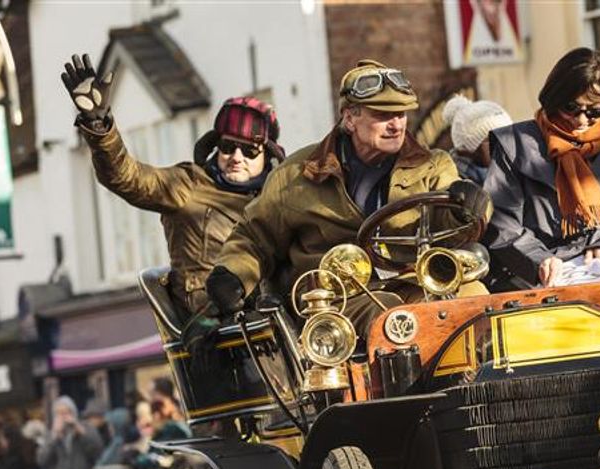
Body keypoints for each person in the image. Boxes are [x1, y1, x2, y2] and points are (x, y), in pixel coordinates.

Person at [208, 59, 490, 337]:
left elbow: (452, 216)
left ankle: (486, 381)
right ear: (350, 118)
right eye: (382, 115)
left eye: (401, 114)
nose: (396, 125)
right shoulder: (296, 175)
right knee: (392, 317)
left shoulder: (432, 165)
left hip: (415, 283)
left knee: (476, 299)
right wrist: (233, 274)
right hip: (335, 299)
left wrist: (466, 205)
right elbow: (255, 235)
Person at [61, 54, 285, 316]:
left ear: (267, 156)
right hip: (213, 326)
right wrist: (98, 126)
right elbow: (126, 177)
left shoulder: (280, 198)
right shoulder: (187, 184)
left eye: (249, 151)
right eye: (227, 146)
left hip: (274, 319)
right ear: (215, 147)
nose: (236, 157)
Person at [483, 48, 600, 289]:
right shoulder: (515, 145)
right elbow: (501, 223)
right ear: (553, 100)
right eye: (571, 107)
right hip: (528, 281)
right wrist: (540, 261)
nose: (582, 120)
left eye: (596, 110)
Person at [442, 94, 512, 184]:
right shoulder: (452, 184)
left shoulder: (505, 173)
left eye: (507, 136)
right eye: (493, 140)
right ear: (467, 150)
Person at [37, 396, 103, 469]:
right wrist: (54, 436)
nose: (63, 417)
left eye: (66, 413)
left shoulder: (86, 428)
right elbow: (42, 461)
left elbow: (98, 451)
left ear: (73, 413)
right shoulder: (50, 434)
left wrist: (80, 431)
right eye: (59, 414)